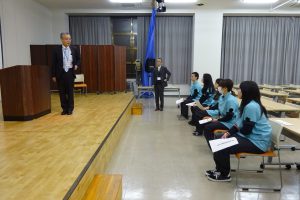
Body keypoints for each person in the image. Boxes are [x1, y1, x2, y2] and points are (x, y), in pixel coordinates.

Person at [204, 81, 272, 182]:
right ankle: (219, 170)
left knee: (223, 144)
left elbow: (247, 130)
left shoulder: (251, 107)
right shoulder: (247, 105)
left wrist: (232, 137)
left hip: (258, 142)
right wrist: (228, 133)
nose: (237, 90)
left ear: (246, 91)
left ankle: (224, 174)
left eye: (240, 89)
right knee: (219, 140)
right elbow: (238, 124)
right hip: (250, 138)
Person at [52, 32, 80, 115]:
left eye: (69, 39)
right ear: (61, 39)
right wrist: (53, 75)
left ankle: (70, 108)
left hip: (70, 73)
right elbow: (53, 63)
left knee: (70, 92)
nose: (68, 40)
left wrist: (76, 65)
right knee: (62, 92)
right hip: (60, 74)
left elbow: (79, 59)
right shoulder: (56, 50)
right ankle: (64, 108)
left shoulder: (74, 49)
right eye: (66, 39)